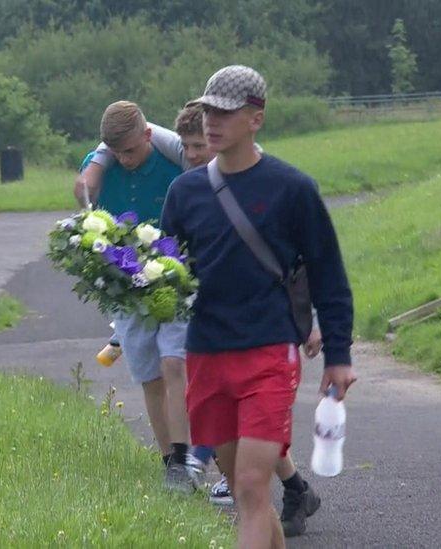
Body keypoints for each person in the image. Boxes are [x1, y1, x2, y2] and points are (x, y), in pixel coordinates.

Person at [86, 104, 325, 537]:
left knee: (244, 458)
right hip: (204, 320)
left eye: (201, 146)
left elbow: (300, 259)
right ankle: (287, 485)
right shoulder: (188, 188)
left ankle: (260, 481)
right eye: (191, 147)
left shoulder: (254, 183)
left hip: (258, 332)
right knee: (238, 454)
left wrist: (313, 323)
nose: (194, 154)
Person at [161, 66, 356, 548]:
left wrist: (338, 354)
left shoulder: (293, 188)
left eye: (225, 112)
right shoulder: (183, 193)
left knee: (248, 485)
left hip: (269, 352)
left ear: (256, 119)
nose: (212, 121)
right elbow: (162, 268)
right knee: (253, 498)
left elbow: (328, 273)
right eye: (208, 110)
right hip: (206, 352)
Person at [73, 101, 195, 493]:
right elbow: (83, 192)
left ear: (147, 135)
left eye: (131, 150)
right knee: (149, 374)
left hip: (175, 277)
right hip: (127, 286)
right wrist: (97, 162)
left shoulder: (172, 159)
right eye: (117, 152)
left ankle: (183, 455)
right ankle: (169, 463)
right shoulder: (104, 166)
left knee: (175, 363)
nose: (125, 159)